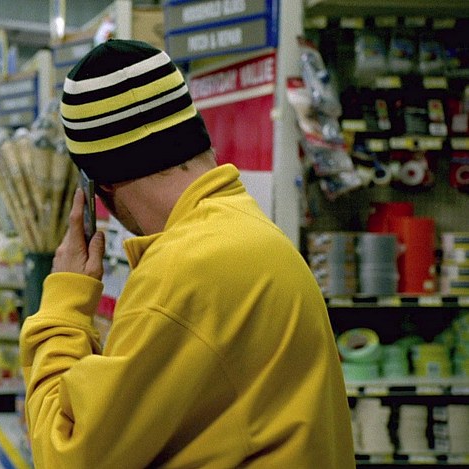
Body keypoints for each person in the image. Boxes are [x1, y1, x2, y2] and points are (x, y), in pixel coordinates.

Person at [19, 40, 355, 468]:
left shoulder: (181, 273)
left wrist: (64, 302)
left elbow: (67, 455)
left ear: (101, 184)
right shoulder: (249, 231)